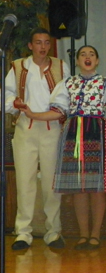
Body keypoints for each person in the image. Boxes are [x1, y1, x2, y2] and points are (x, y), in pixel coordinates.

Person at [20, 45, 106, 250]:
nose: (87, 58)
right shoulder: (67, 84)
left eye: (92, 55)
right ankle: (83, 235)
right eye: (83, 55)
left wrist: (101, 124)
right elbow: (57, 111)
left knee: (97, 188)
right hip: (73, 135)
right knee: (79, 188)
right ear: (77, 61)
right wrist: (33, 115)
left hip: (96, 135)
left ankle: (95, 234)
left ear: (97, 61)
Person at [4, 27, 70, 250]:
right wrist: (16, 104)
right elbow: (6, 93)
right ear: (30, 46)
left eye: (46, 43)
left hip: (52, 128)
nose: (43, 47)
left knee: (52, 184)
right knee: (25, 182)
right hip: (26, 128)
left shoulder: (61, 66)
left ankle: (53, 231)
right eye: (38, 43)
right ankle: (23, 232)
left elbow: (66, 98)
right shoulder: (18, 66)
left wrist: (51, 113)